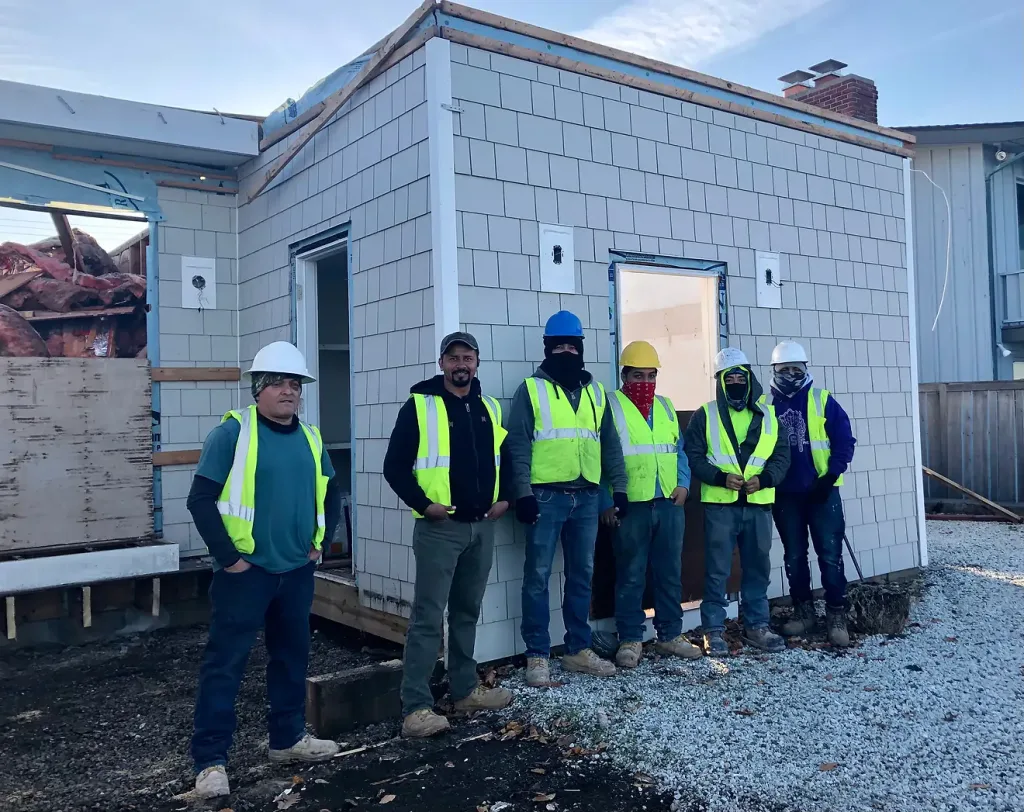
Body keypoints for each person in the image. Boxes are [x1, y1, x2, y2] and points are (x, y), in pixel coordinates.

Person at [186, 341, 343, 800]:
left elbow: (331, 493)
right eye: (277, 382)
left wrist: (321, 545)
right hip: (245, 574)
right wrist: (229, 558)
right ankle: (211, 761)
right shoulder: (233, 434)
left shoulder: (311, 438)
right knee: (225, 665)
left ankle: (288, 739)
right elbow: (200, 500)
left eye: (294, 384)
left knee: (291, 657)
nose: (288, 391)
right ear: (258, 388)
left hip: (296, 571)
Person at [383, 331, 513, 738]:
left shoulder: (488, 407)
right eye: (454, 357)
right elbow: (394, 468)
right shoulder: (419, 407)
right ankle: (416, 707)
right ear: (442, 363)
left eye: (468, 357)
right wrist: (425, 506)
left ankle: (464, 689)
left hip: (482, 527)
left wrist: (506, 499)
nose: (461, 365)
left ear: (477, 363)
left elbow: (506, 459)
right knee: (426, 617)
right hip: (440, 528)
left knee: (466, 612)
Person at [506, 310, 628, 686]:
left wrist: (617, 489)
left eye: (570, 346)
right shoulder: (531, 390)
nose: (565, 352)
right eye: (557, 346)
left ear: (580, 348)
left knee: (582, 575)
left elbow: (609, 444)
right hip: (545, 498)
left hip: (588, 498)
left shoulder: (596, 393)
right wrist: (523, 494)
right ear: (547, 349)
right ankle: (538, 655)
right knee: (538, 576)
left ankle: (577, 649)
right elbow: (517, 446)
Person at [601, 341, 702, 668]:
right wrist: (607, 500)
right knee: (630, 574)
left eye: (651, 375)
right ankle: (630, 638)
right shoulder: (610, 407)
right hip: (631, 507)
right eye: (637, 375)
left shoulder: (667, 407)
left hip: (669, 504)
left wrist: (684, 484)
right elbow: (599, 459)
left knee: (669, 572)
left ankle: (670, 634)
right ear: (624, 375)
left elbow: (679, 451)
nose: (645, 383)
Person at [684, 347, 791, 656]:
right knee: (716, 569)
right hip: (720, 505)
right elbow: (694, 454)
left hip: (758, 505)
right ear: (719, 381)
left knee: (758, 568)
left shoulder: (769, 416)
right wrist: (719, 477)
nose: (734, 382)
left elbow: (782, 456)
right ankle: (713, 631)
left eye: (739, 376)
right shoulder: (705, 414)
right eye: (728, 377)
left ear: (749, 377)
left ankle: (757, 626)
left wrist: (766, 479)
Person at [767, 341, 856, 647]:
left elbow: (845, 440)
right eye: (784, 369)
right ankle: (804, 613)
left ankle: (836, 614)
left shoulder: (822, 400)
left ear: (806, 369)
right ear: (774, 371)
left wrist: (831, 475)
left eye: (797, 369)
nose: (791, 374)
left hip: (822, 493)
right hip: (785, 496)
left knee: (830, 556)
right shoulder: (766, 409)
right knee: (794, 557)